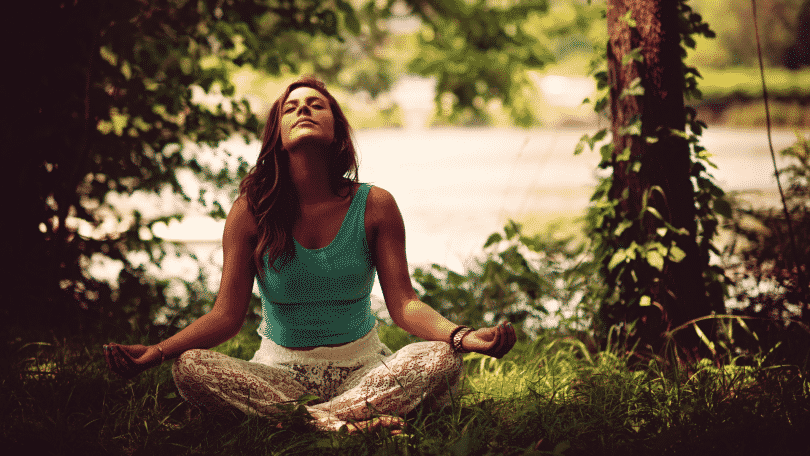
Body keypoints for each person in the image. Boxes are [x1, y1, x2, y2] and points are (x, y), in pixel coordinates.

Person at [103, 75, 516, 433]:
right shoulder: (251, 212)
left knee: (443, 357)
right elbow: (225, 317)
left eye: (316, 105)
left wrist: (461, 335)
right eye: (292, 107)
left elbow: (404, 304)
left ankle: (312, 419)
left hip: (365, 371)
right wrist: (158, 351)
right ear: (277, 136)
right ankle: (343, 421)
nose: (304, 110)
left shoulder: (376, 205)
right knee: (189, 366)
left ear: (336, 130)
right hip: (280, 375)